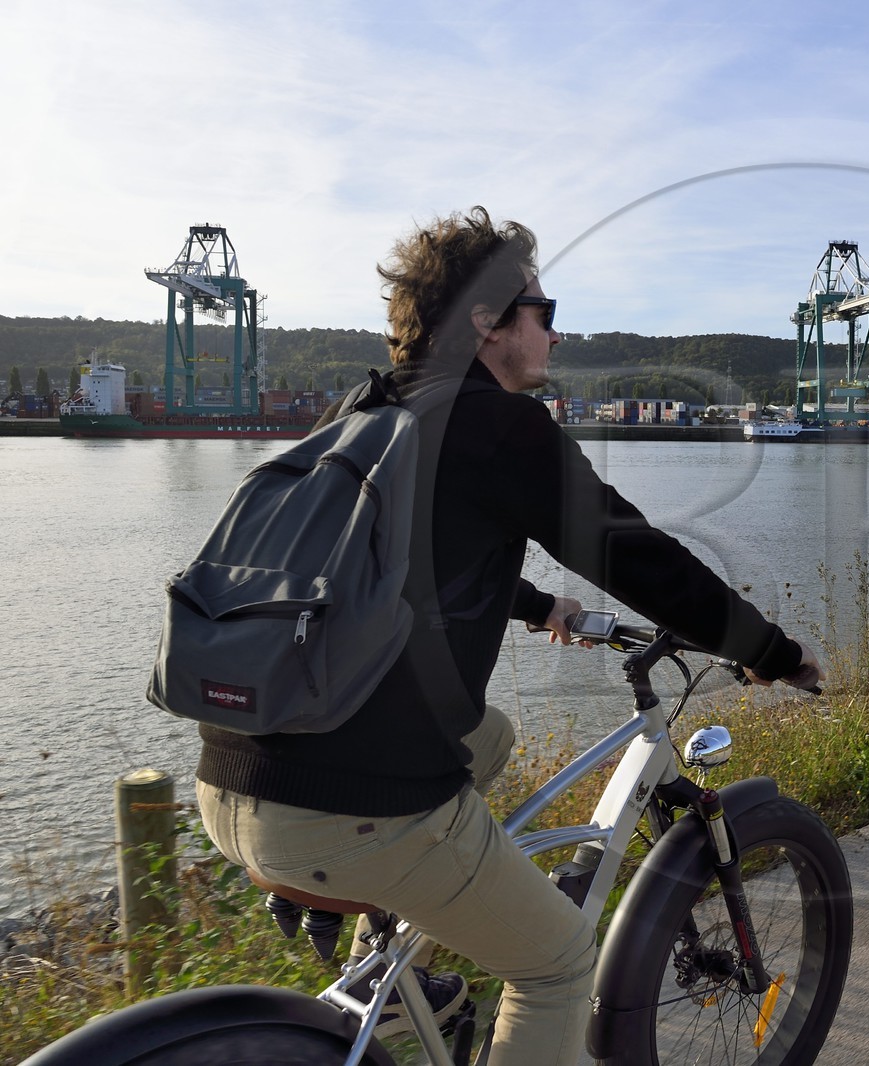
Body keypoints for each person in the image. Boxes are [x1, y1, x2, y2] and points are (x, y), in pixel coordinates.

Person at [194, 206, 822, 1064]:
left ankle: (398, 959)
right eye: (545, 311)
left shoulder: (366, 408)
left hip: (229, 776)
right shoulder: (499, 425)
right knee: (561, 960)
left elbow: (376, 567)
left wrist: (534, 606)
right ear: (489, 324)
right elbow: (639, 558)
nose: (556, 336)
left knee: (488, 739)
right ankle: (421, 919)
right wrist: (770, 651)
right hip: (344, 812)